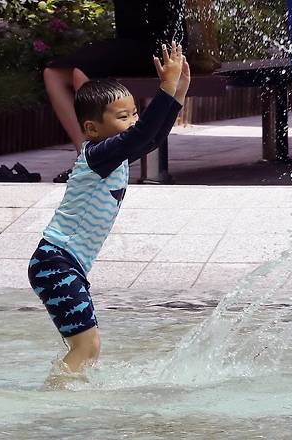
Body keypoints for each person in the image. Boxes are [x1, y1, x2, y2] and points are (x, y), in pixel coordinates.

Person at [28, 41, 190, 386]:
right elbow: (144, 134)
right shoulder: (97, 155)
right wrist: (165, 88)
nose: (132, 121)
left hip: (63, 264)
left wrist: (176, 95)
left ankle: (64, 397)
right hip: (55, 262)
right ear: (91, 129)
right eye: (123, 117)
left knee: (84, 348)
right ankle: (47, 405)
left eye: (133, 113)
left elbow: (150, 139)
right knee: (88, 347)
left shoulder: (110, 155)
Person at [43, 0, 186, 182]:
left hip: (161, 43)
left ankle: (103, 160)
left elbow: (151, 137)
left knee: (83, 73)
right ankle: (87, 161)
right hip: (127, 42)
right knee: (54, 74)